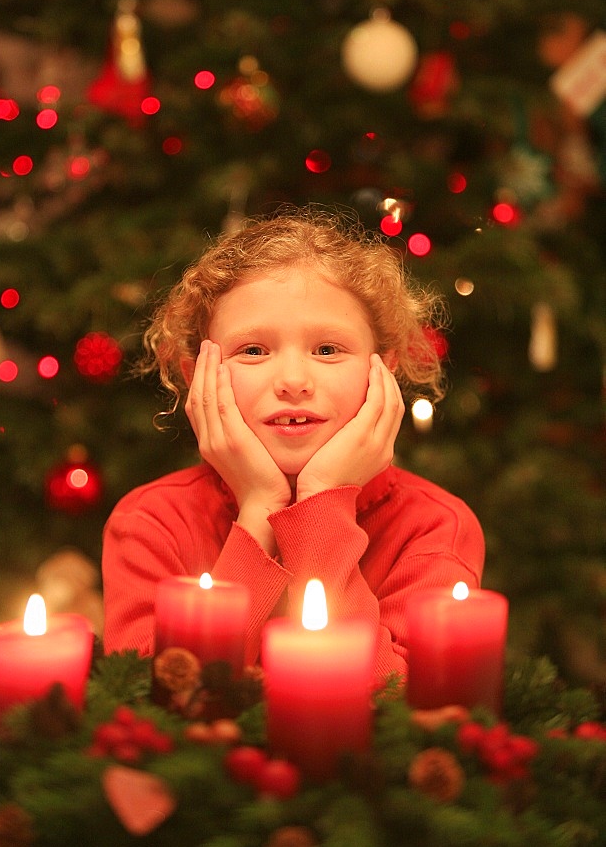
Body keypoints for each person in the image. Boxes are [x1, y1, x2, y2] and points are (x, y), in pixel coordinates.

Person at [102, 208, 484, 682]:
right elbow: (158, 707)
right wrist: (260, 508)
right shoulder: (149, 523)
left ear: (380, 372)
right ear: (195, 376)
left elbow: (396, 714)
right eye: (254, 351)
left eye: (327, 350)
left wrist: (323, 502)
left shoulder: (434, 528)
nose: (293, 381)